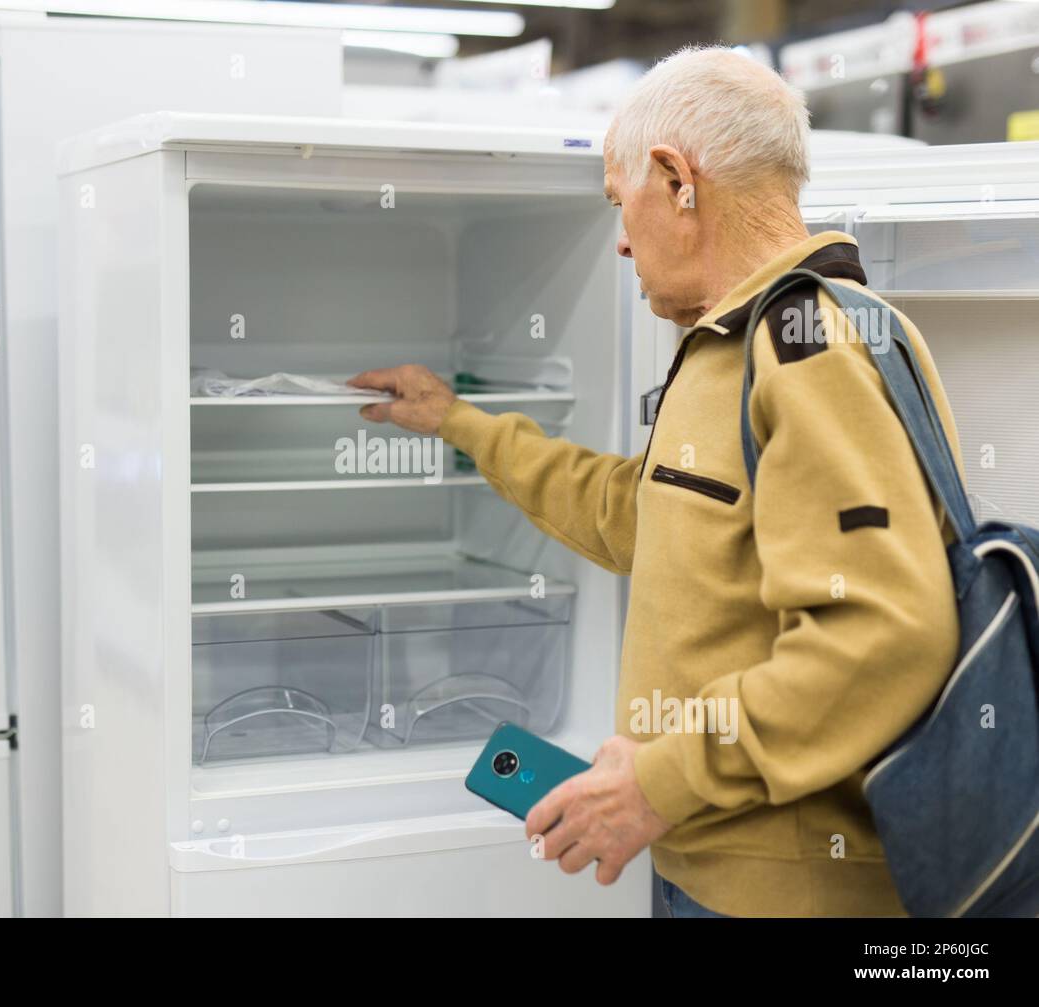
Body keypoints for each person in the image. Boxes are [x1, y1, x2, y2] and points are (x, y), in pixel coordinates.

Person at [349, 45, 963, 918]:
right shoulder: (729, 345)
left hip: (785, 897)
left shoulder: (808, 348)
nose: (622, 240)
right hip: (704, 869)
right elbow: (640, 514)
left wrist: (658, 780)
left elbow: (882, 633)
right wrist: (458, 421)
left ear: (678, 179)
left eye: (621, 202)